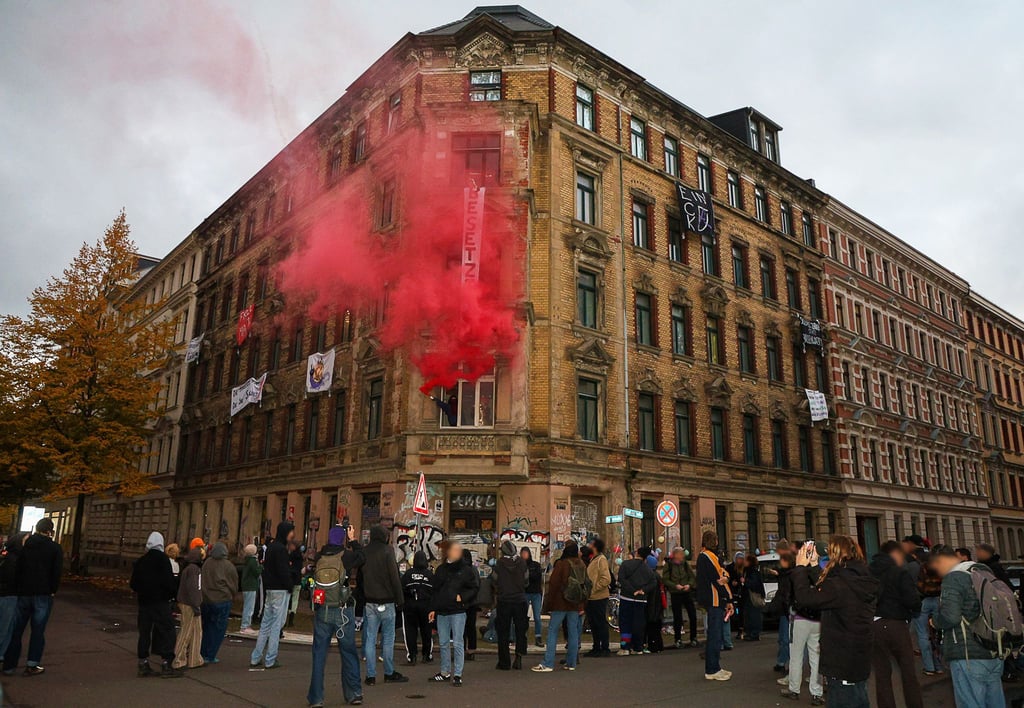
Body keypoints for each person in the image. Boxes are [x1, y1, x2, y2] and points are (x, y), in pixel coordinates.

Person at [792, 535, 879, 708]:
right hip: (858, 658)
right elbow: (829, 591)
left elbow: (806, 597)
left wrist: (800, 567)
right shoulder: (859, 578)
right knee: (859, 699)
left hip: (842, 661)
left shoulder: (840, 585)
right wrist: (815, 566)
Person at [929, 544, 1007, 708]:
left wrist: (935, 621)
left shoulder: (954, 578)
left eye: (935, 565)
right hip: (993, 649)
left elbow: (951, 617)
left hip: (967, 653)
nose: (935, 570)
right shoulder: (982, 571)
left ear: (941, 559)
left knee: (970, 702)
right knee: (995, 701)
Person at [307, 524, 363, 708]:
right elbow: (363, 557)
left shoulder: (319, 556)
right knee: (348, 652)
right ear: (342, 538)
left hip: (322, 609)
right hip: (342, 610)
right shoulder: (346, 556)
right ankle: (354, 694)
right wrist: (353, 539)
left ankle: (316, 698)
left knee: (319, 654)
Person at [2, 518, 63, 677]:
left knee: (17, 630)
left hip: (24, 592)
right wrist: (52, 590)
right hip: (43, 593)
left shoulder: (26, 546)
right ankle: (32, 664)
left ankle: (9, 665)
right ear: (50, 531)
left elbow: (19, 568)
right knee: (38, 631)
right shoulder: (54, 548)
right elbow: (56, 572)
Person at [350, 525, 407, 686]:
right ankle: (389, 672)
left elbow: (360, 576)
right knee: (388, 638)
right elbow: (394, 578)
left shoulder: (365, 552)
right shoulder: (388, 551)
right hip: (387, 601)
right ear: (384, 536)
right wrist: (400, 599)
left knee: (370, 638)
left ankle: (370, 676)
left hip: (370, 601)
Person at [869, 540, 923, 708]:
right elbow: (912, 600)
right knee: (908, 672)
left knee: (882, 674)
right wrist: (914, 608)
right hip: (897, 624)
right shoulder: (899, 573)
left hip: (875, 624)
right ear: (894, 554)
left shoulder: (869, 572)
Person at [771, 548, 824, 704]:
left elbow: (788, 594)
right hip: (817, 619)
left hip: (800, 617)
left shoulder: (796, 573)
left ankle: (794, 689)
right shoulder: (818, 573)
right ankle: (816, 692)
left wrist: (789, 610)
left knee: (796, 655)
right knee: (816, 656)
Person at [129, 532, 182, 678]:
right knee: (167, 631)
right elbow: (169, 583)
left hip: (144, 602)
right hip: (160, 602)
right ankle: (166, 663)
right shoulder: (163, 560)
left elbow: (133, 583)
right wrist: (170, 595)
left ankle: (143, 662)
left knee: (144, 632)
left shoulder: (141, 561)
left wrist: (143, 591)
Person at [430, 540, 479, 686]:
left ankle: (458, 674)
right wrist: (433, 609)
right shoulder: (441, 570)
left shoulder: (466, 570)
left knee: (458, 643)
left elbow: (474, 588)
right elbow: (434, 590)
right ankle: (445, 672)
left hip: (458, 612)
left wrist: (462, 597)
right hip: (442, 612)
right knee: (444, 643)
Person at [532, 541, 587, 672]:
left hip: (560, 603)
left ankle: (548, 663)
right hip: (574, 603)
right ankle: (571, 662)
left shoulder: (562, 564)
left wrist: (549, 604)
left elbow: (554, 583)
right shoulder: (581, 564)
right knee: (573, 632)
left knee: (553, 631)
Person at [250, 521, 295, 670]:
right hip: (280, 590)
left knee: (265, 624)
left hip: (270, 589)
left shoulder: (270, 547)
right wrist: (290, 586)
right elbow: (283, 571)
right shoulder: (281, 549)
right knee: (277, 625)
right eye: (291, 532)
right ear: (286, 532)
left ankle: (256, 657)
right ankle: (270, 658)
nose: (292, 534)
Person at [696, 531, 733, 681]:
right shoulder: (709, 557)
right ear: (715, 541)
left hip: (712, 599)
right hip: (715, 600)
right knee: (715, 635)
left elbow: (723, 574)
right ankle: (712, 669)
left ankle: (715, 667)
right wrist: (728, 598)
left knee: (715, 635)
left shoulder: (705, 556)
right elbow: (719, 579)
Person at [199, 541, 237, 665]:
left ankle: (202, 652)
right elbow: (233, 585)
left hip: (206, 600)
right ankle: (211, 655)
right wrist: (231, 595)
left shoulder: (207, 563)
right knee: (218, 629)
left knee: (206, 627)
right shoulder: (229, 566)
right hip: (222, 600)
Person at [492, 540, 528, 670]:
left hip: (504, 600)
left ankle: (504, 661)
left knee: (503, 631)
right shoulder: (522, 563)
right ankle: (519, 657)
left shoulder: (499, 564)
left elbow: (494, 579)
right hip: (520, 600)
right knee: (520, 630)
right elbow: (526, 581)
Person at [616, 546, 658, 656]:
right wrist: (642, 590)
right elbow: (653, 582)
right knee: (638, 624)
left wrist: (631, 589)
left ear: (637, 553)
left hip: (627, 597)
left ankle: (625, 646)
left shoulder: (626, 564)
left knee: (625, 623)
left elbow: (621, 578)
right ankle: (638, 646)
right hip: (641, 600)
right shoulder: (648, 569)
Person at [172, 545, 204, 670]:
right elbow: (194, 589)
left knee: (196, 631)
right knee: (187, 631)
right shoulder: (194, 570)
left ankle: (194, 658)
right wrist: (196, 605)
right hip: (190, 603)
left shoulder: (189, 568)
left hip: (188, 602)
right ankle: (178, 659)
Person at [401, 551, 434, 666]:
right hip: (426, 605)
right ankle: (427, 655)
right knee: (426, 630)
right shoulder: (429, 575)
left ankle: (412, 656)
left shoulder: (408, 574)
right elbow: (434, 591)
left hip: (410, 605)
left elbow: (402, 589)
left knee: (410, 630)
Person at [0, 534, 27, 671]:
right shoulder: (15, 560)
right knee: (5, 628)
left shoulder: (6, 557)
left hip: (7, 594)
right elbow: (12, 579)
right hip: (9, 595)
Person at [661, 546, 697, 648]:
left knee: (692, 614)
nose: (682, 556)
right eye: (681, 554)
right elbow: (665, 579)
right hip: (676, 593)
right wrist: (675, 586)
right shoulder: (669, 565)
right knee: (677, 617)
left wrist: (689, 585)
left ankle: (693, 638)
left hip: (686, 592)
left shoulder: (685, 564)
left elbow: (692, 576)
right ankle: (678, 639)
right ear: (676, 555)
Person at [915, 554, 945, 676]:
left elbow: (918, 585)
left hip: (924, 601)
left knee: (923, 634)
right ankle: (939, 665)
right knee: (937, 633)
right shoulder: (939, 568)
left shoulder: (922, 568)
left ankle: (929, 667)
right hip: (937, 600)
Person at [585, 538, 612, 657]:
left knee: (600, 622)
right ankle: (596, 646)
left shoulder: (601, 559)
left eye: (591, 544)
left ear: (595, 546)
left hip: (599, 597)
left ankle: (604, 647)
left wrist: (594, 588)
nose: (589, 545)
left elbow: (606, 578)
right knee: (593, 623)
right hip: (591, 597)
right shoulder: (593, 559)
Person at [771, 540, 795, 672]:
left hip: (788, 608)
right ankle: (783, 662)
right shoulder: (787, 569)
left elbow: (785, 591)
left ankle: (787, 664)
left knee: (786, 638)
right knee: (784, 637)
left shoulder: (790, 569)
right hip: (786, 607)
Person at [463, 549, 486, 663]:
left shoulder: (461, 570)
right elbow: (478, 585)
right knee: (471, 627)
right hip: (473, 602)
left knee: (461, 628)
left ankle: (461, 650)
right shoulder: (474, 570)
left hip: (463, 602)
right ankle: (471, 650)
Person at [521, 547, 544, 647]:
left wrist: (527, 576)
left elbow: (537, 576)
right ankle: (523, 636)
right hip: (525, 593)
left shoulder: (535, 565)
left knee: (537, 617)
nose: (524, 555)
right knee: (523, 616)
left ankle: (538, 637)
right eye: (523, 553)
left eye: (526, 553)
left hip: (535, 593)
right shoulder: (520, 565)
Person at [643, 554, 665, 653]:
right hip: (657, 607)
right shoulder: (656, 575)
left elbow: (653, 596)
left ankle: (653, 646)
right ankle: (658, 645)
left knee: (652, 627)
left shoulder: (651, 577)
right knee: (656, 627)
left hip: (653, 607)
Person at [239, 544, 262, 635]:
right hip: (251, 586)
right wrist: (261, 567)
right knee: (249, 607)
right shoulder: (252, 561)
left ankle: (246, 625)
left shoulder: (247, 560)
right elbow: (256, 572)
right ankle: (245, 626)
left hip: (246, 586)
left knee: (247, 606)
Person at [742, 553, 765, 641]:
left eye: (746, 560)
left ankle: (754, 633)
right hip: (748, 597)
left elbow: (754, 584)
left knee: (753, 615)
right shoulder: (747, 571)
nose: (744, 561)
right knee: (749, 615)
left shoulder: (753, 572)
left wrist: (745, 581)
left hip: (752, 597)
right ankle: (750, 632)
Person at [725, 552, 746, 643]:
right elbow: (726, 578)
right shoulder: (730, 567)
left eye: (741, 559)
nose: (740, 561)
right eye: (738, 559)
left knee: (740, 612)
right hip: (732, 592)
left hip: (741, 592)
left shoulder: (743, 568)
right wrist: (731, 583)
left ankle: (740, 629)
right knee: (731, 610)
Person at [287, 542, 305, 628]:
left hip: (290, 579)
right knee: (295, 600)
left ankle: (285, 616)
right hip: (297, 580)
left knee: (288, 598)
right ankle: (291, 619)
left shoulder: (291, 556)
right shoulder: (300, 558)